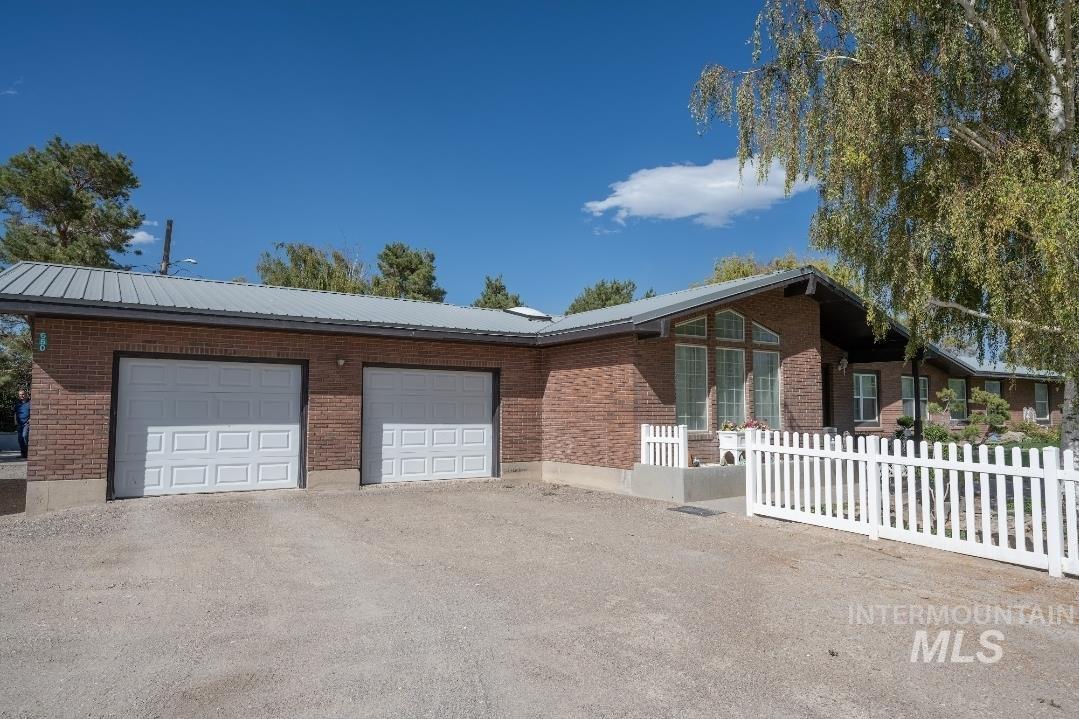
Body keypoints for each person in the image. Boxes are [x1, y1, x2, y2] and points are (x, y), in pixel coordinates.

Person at [13, 389, 30, 459]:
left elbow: (33, 412)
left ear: (26, 394)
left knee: (24, 436)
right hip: (19, 424)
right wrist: (15, 421)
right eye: (20, 394)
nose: (22, 396)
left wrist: (30, 419)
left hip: (26, 423)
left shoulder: (30, 403)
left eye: (23, 394)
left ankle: (28, 453)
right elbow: (15, 412)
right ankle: (23, 454)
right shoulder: (17, 403)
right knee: (20, 439)